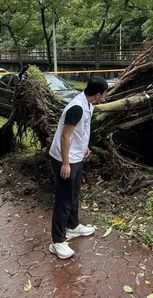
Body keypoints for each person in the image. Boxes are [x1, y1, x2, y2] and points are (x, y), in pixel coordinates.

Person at [48, 76, 109, 259]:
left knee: (74, 194)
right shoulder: (77, 107)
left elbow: (79, 131)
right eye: (104, 93)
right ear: (98, 94)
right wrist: (65, 163)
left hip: (76, 156)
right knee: (64, 200)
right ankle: (57, 242)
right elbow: (65, 136)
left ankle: (72, 226)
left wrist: (84, 147)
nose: (105, 96)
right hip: (64, 158)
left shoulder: (88, 104)